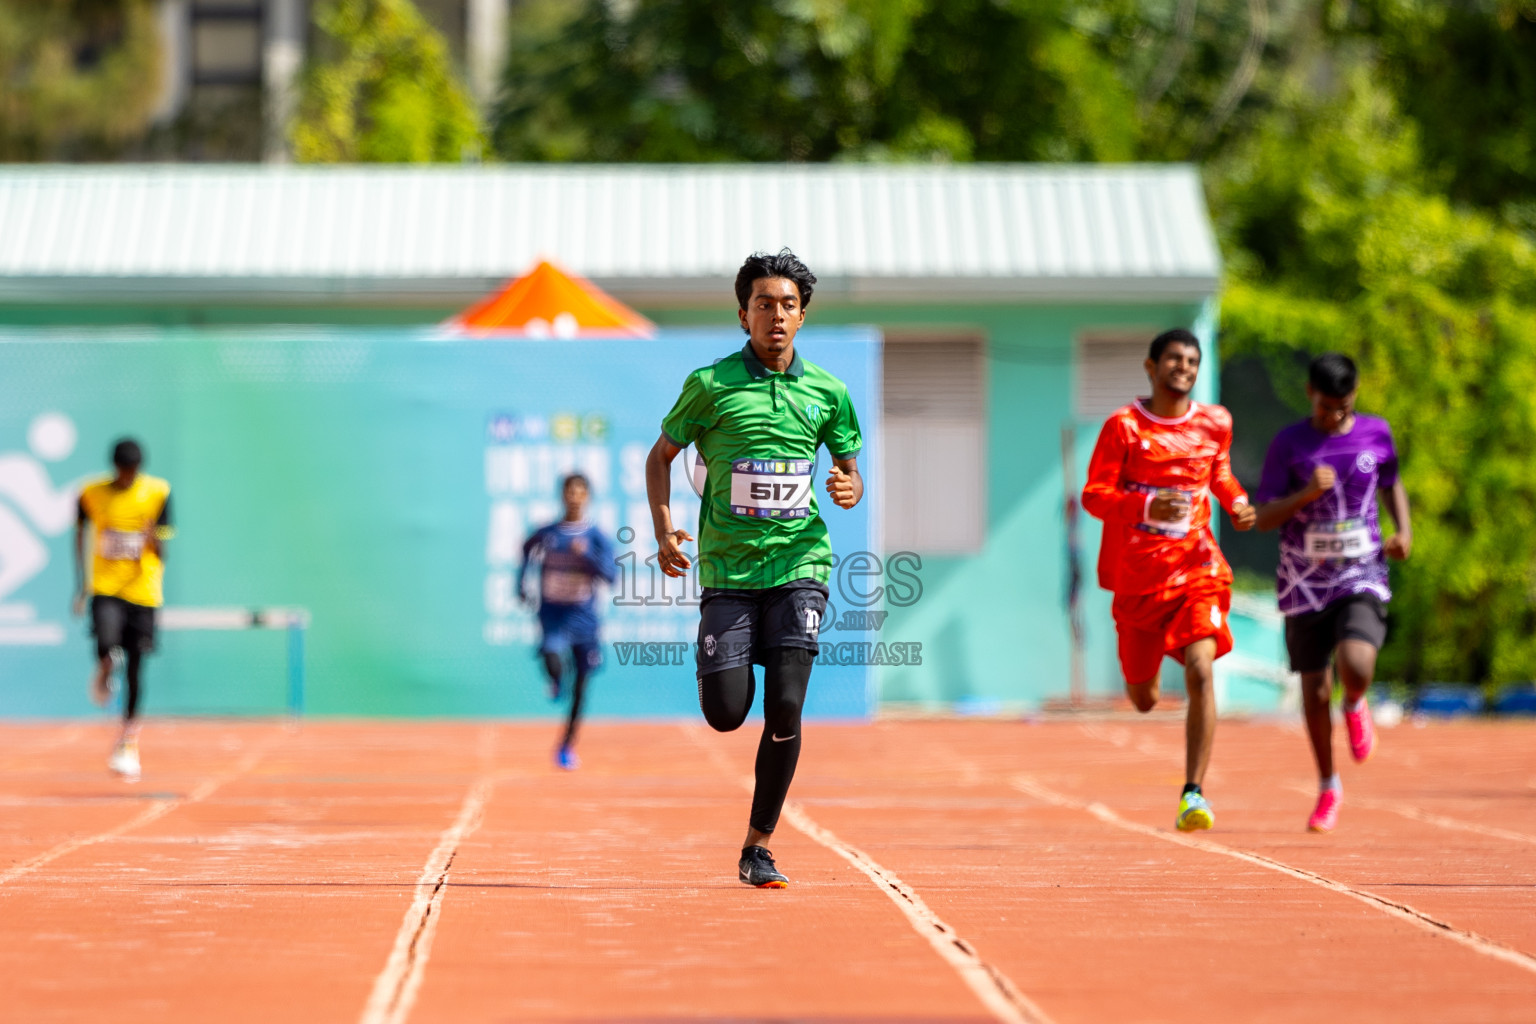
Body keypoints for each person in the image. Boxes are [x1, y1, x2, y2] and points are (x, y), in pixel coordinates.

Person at [646, 249, 864, 888]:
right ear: (744, 315)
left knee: (788, 707)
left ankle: (758, 846)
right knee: (725, 712)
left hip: (801, 564)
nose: (776, 316)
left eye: (788, 306)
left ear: (802, 317)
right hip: (729, 575)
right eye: (764, 304)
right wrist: (663, 531)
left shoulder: (829, 393)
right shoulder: (710, 386)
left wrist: (850, 485)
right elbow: (660, 459)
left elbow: (849, 471)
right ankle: (727, 666)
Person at [1083, 328, 1257, 831]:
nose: (1184, 367)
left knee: (1201, 670)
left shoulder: (1215, 422)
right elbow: (1094, 495)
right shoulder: (1123, 427)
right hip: (1138, 578)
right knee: (1144, 699)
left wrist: (1238, 502)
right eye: (1175, 359)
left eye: (1192, 360)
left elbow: (1219, 474)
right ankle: (1153, 653)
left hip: (1197, 566)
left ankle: (1193, 793)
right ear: (1151, 366)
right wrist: (1144, 503)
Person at [1254, 353, 1410, 833]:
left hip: (1359, 569)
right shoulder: (1289, 444)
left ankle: (1356, 701)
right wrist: (1303, 496)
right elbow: (1262, 517)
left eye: (1342, 408)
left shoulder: (1376, 434)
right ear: (1310, 395)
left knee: (1357, 664)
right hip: (1303, 581)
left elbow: (1391, 483)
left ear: (1354, 396)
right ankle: (1328, 786)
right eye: (1325, 409)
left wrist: (1404, 529)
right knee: (1314, 689)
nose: (1334, 417)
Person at [73, 438, 174, 782]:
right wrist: (81, 585)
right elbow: (79, 532)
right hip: (106, 588)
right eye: (124, 472)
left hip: (143, 592)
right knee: (105, 641)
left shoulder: (158, 493)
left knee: (136, 667)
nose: (129, 478)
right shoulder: (91, 493)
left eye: (134, 473)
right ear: (115, 469)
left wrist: (151, 538)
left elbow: (164, 553)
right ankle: (104, 664)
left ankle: (127, 742)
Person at [518, 473, 616, 771]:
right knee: (551, 653)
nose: (574, 496)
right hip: (553, 614)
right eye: (569, 491)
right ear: (562, 495)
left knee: (582, 686)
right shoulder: (548, 533)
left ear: (588, 497)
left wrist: (586, 557)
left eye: (580, 491)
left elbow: (611, 576)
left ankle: (566, 745)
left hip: (584, 618)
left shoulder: (596, 537)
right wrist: (520, 585)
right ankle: (555, 678)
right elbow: (525, 551)